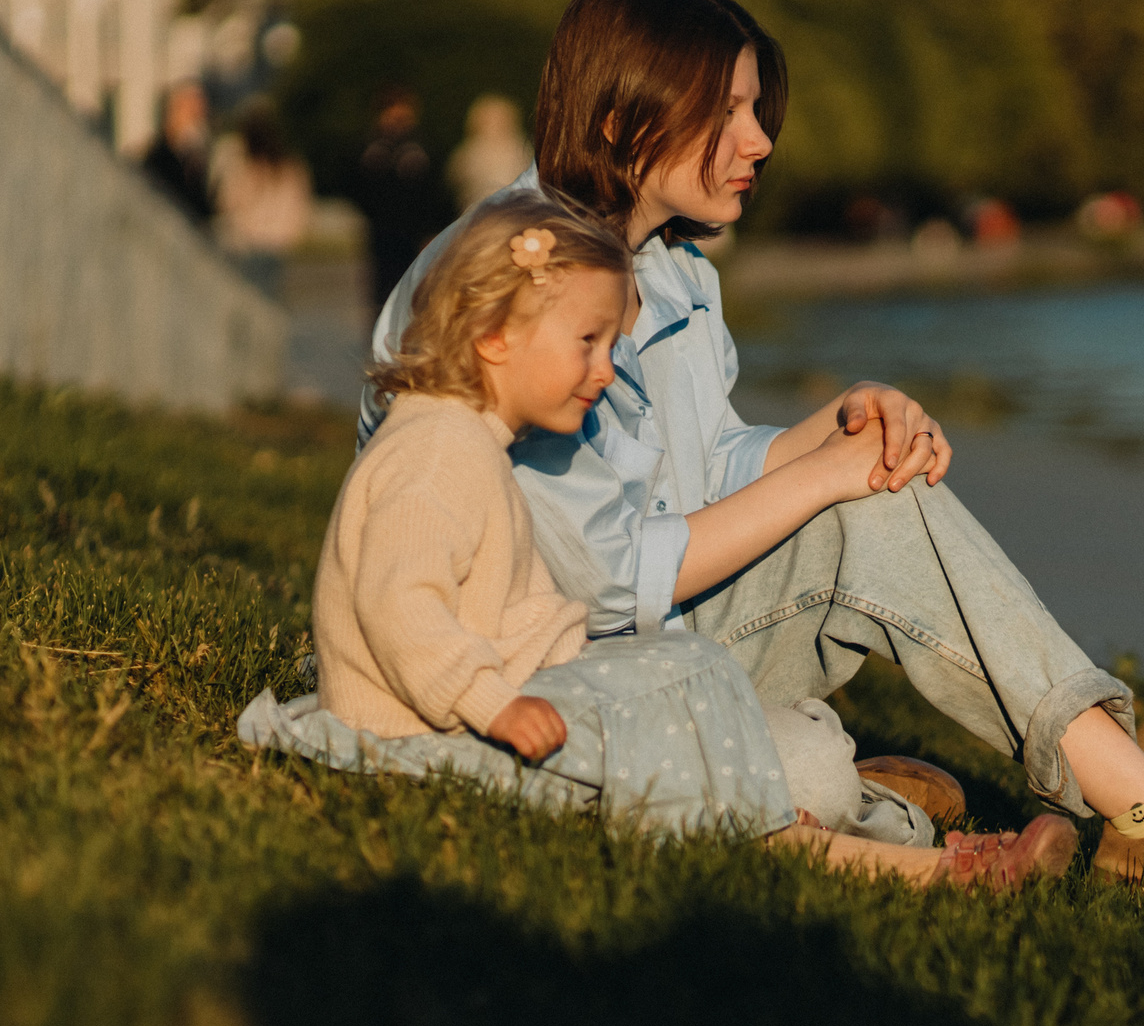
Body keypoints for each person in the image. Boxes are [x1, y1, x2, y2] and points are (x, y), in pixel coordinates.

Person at [361, 0, 1144, 900]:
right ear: (620, 117)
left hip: (648, 645)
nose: (760, 140)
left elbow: (706, 472)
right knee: (803, 767)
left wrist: (838, 426)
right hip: (517, 677)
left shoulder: (673, 270)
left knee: (879, 490)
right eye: (725, 112)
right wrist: (821, 480)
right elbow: (605, 576)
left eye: (757, 109)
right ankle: (869, 800)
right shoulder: (506, 286)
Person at [293, 192, 1074, 886]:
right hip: (423, 731)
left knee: (690, 680)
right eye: (588, 342)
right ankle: (923, 864)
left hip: (486, 703)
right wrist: (495, 704)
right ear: (496, 337)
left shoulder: (471, 442)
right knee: (688, 711)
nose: (605, 371)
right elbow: (402, 611)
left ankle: (857, 829)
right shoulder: (434, 455)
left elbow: (518, 609)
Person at [344, 85, 453, 312]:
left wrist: (434, 228)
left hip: (416, 230)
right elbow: (354, 183)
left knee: (417, 286)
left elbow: (436, 190)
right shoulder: (371, 146)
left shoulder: (423, 145)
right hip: (382, 229)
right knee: (383, 289)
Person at [211, 101, 313, 300]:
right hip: (278, 243)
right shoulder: (289, 167)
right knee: (271, 296)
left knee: (251, 299)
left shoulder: (243, 167)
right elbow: (299, 205)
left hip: (249, 243)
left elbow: (225, 202)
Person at [143, 80, 214, 226]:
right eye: (193, 111)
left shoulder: (193, 159)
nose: (200, 118)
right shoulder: (158, 160)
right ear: (174, 111)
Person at [448, 92, 534, 211]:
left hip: (514, 213)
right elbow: (454, 178)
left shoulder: (521, 149)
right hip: (477, 215)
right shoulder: (471, 151)